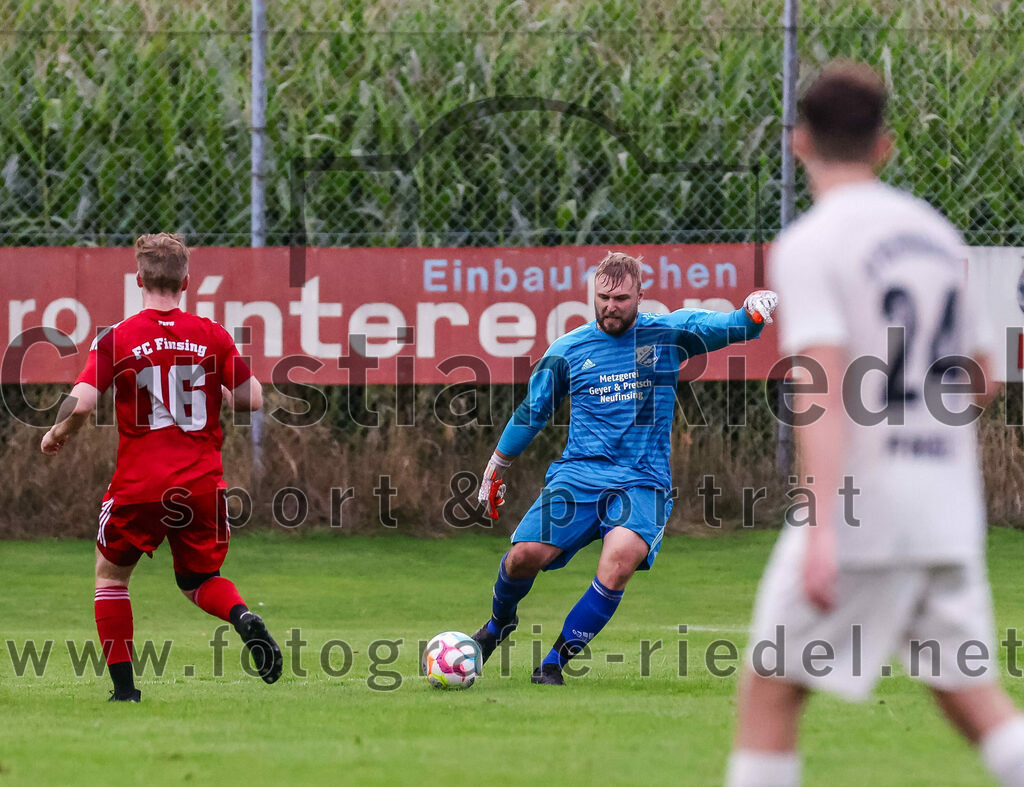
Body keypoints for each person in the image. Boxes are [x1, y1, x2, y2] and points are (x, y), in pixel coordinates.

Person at [726, 62, 1024, 786]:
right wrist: (921, 418)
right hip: (946, 508)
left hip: (867, 512)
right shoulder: (932, 230)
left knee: (771, 689)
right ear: (883, 145)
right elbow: (983, 373)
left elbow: (820, 387)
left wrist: (823, 525)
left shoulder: (810, 242)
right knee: (973, 700)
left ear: (799, 142)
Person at [471, 250, 778, 684]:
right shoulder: (568, 351)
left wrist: (755, 308)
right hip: (577, 476)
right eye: (603, 297)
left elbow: (728, 327)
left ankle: (554, 662)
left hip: (642, 482)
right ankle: (498, 625)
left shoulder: (667, 335)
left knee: (620, 560)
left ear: (640, 296)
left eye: (621, 298)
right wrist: (494, 467)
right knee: (523, 557)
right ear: (592, 295)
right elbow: (532, 412)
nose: (611, 306)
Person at [41, 233, 282, 702]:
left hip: (139, 486)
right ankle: (242, 617)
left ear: (138, 279)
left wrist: (58, 432)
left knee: (111, 577)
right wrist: (214, 392)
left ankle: (125, 691)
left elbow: (85, 402)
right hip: (200, 485)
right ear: (186, 281)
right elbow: (252, 398)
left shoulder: (116, 338)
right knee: (200, 582)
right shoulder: (211, 334)